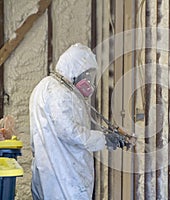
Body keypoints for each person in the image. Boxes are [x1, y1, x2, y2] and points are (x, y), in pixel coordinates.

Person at [29, 43, 124, 200]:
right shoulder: (59, 92)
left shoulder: (48, 86)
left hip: (51, 174)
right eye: (86, 75)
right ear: (73, 69)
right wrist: (104, 139)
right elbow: (71, 132)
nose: (89, 82)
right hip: (64, 178)